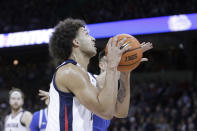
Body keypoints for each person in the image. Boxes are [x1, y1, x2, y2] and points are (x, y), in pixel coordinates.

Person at [46, 18, 151, 131]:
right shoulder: (69, 72)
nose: (93, 39)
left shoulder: (88, 78)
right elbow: (105, 112)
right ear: (76, 42)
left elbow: (120, 111)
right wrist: (112, 65)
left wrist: (125, 73)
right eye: (87, 35)